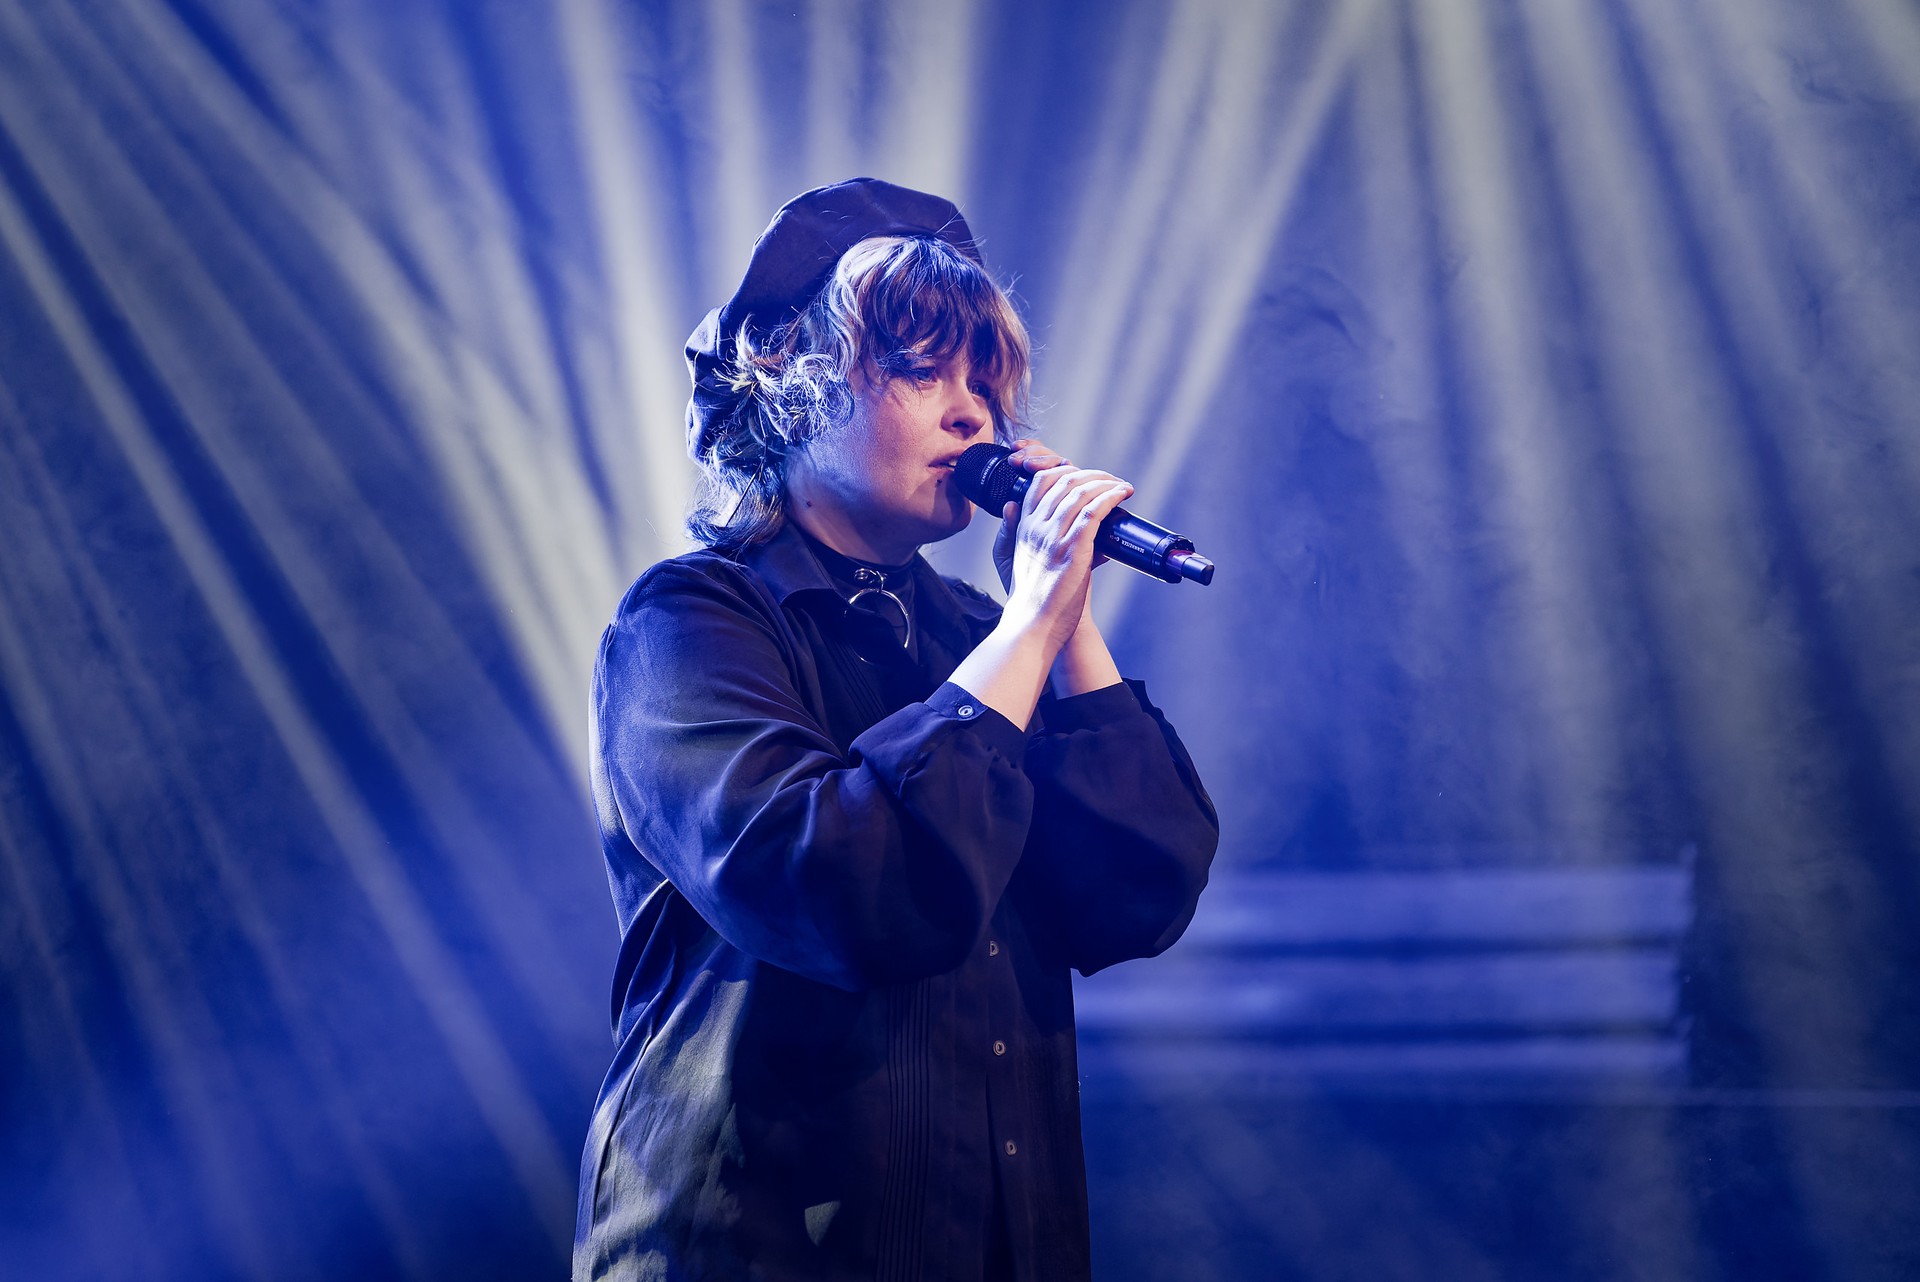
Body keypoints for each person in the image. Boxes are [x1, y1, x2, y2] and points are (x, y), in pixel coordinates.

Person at [573, 177, 1218, 1282]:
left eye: (985, 382)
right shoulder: (688, 624)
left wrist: (1064, 622)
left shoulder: (984, 635)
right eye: (923, 370)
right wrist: (1026, 630)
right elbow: (839, 890)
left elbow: (1140, 892)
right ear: (796, 385)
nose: (975, 415)